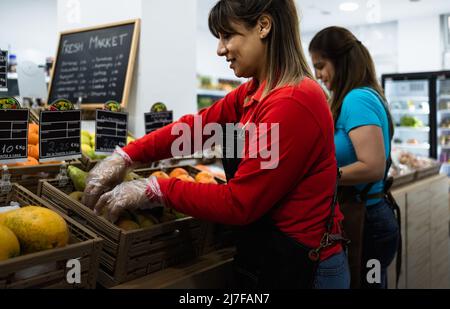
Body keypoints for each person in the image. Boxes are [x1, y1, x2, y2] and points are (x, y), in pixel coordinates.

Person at [83, 0, 349, 289]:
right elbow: (196, 129)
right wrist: (126, 156)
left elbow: (240, 202)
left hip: (304, 268)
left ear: (263, 26)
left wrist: (157, 188)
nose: (220, 49)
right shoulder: (254, 91)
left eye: (227, 36)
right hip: (268, 251)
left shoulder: (293, 101)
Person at [309, 26, 400, 289]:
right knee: (371, 283)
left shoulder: (356, 99)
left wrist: (324, 177)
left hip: (368, 220)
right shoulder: (364, 95)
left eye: (321, 65)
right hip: (371, 216)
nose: (318, 75)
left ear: (341, 60)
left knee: (368, 284)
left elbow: (372, 167)